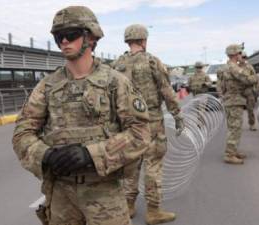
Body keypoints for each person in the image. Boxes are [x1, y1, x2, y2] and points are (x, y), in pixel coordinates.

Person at [12, 6, 151, 225]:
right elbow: (22, 134)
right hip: (61, 196)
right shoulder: (47, 86)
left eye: (71, 34)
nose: (64, 41)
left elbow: (141, 133)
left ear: (91, 37)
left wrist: (91, 154)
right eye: (59, 37)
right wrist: (46, 155)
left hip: (104, 195)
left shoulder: (115, 82)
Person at [112, 24, 185, 225]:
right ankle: (153, 211)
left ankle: (128, 205)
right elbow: (166, 90)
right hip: (150, 120)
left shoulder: (117, 64)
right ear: (144, 40)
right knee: (153, 165)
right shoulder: (152, 61)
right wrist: (177, 114)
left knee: (130, 165)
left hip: (126, 123)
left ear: (127, 40)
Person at [218, 44, 257, 164]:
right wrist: (256, 77)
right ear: (235, 55)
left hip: (230, 100)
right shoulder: (234, 67)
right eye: (240, 53)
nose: (241, 56)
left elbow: (221, 86)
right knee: (235, 128)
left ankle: (233, 151)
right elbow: (248, 79)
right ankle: (229, 154)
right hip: (234, 100)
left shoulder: (225, 67)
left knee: (233, 127)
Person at [239, 52, 259, 131]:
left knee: (250, 108)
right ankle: (238, 125)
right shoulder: (236, 67)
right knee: (238, 109)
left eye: (245, 57)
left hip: (249, 90)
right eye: (242, 57)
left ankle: (252, 124)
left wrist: (256, 89)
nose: (243, 59)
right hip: (239, 90)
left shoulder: (250, 67)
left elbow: (255, 78)